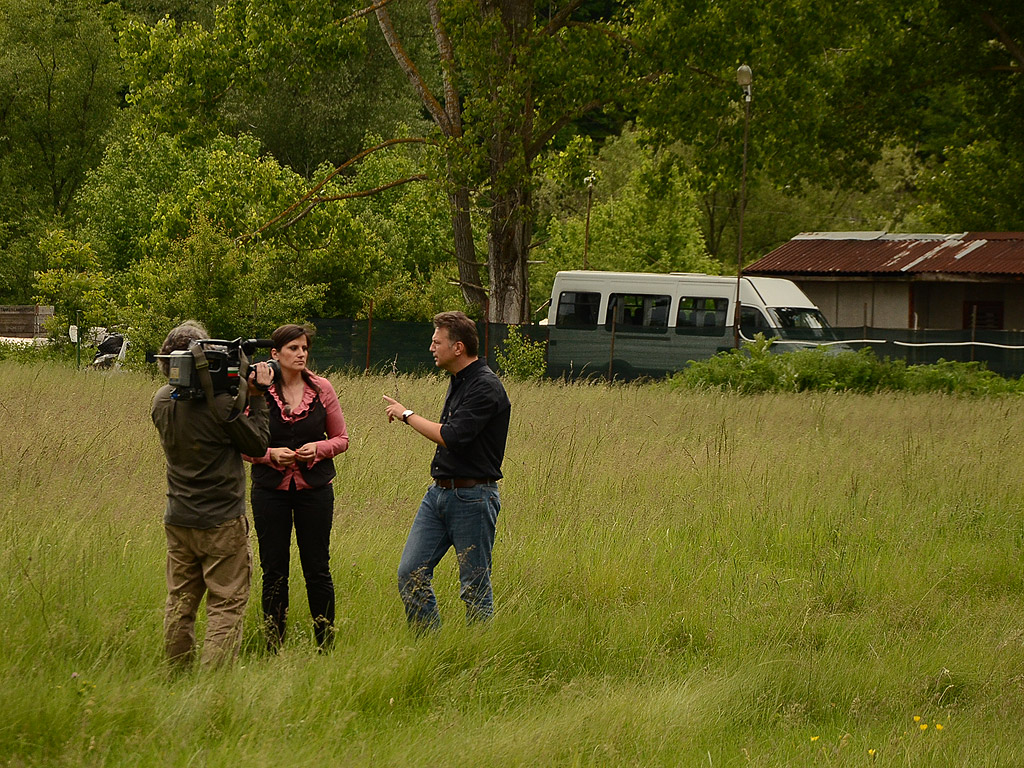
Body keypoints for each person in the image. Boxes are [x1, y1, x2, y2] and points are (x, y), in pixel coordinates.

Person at [151, 321, 273, 668]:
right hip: (221, 521)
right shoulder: (222, 406)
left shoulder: (161, 401)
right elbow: (259, 444)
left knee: (180, 602)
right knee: (226, 603)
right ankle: (213, 683)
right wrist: (257, 397)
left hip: (178, 517)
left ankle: (177, 675)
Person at [383, 311, 511, 630]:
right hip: (438, 495)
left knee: (474, 589)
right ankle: (430, 651)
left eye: (436, 341)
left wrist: (406, 414)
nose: (431, 348)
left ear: (458, 347)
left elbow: (451, 436)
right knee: (410, 574)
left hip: (473, 498)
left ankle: (480, 664)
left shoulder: (485, 387)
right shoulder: (459, 381)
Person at [244, 324, 349, 650]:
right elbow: (242, 444)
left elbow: (342, 439)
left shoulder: (322, 389)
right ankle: (274, 647)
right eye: (293, 348)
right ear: (275, 354)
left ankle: (325, 646)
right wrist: (268, 454)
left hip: (314, 490)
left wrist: (318, 449)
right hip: (269, 491)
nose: (301, 353)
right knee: (274, 571)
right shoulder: (257, 390)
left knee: (317, 568)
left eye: (304, 348)